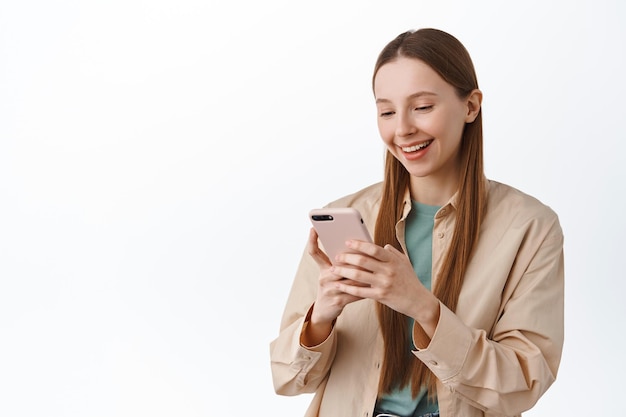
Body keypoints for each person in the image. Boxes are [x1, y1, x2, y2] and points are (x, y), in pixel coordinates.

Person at [269, 28, 564, 417]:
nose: (402, 129)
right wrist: (321, 315)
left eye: (422, 107)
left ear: (471, 106)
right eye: (387, 111)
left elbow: (523, 384)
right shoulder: (349, 213)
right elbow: (288, 380)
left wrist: (423, 307)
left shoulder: (530, 228)